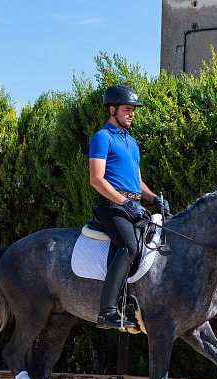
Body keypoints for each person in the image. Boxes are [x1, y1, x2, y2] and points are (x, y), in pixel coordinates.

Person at [89, 84, 170, 330]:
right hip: (111, 206)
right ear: (112, 110)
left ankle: (132, 303)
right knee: (129, 246)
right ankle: (107, 312)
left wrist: (154, 198)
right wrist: (125, 202)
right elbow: (96, 179)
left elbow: (136, 182)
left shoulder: (132, 142)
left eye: (133, 110)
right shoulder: (102, 138)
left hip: (132, 205)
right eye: (127, 109)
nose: (132, 113)